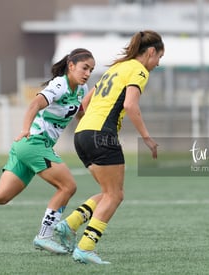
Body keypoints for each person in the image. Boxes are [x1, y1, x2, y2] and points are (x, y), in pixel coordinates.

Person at [0, 48, 95, 255]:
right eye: (85, 68)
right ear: (71, 66)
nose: (87, 73)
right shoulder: (59, 85)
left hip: (30, 147)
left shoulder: (81, 90)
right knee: (68, 186)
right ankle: (44, 236)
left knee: (1, 195)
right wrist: (25, 129)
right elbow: (34, 105)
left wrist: (96, 92)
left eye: (91, 70)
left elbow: (78, 113)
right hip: (34, 143)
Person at [54, 30, 164, 264]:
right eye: (158, 59)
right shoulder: (138, 70)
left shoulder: (115, 69)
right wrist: (147, 138)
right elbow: (130, 105)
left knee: (108, 192)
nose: (157, 65)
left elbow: (83, 105)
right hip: (102, 135)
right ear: (151, 52)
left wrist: (88, 127)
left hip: (82, 135)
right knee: (114, 195)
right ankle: (85, 247)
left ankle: (70, 224)